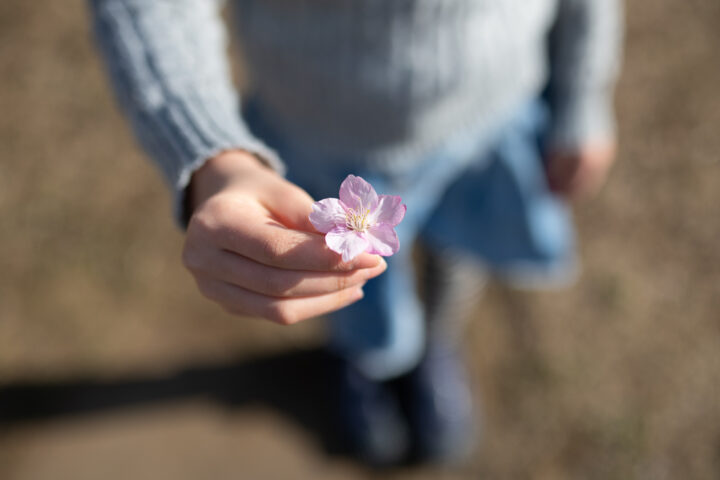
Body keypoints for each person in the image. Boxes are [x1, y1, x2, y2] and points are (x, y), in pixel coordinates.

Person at [90, 0, 622, 466]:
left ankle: (436, 344)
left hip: (488, 122)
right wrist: (214, 158)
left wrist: (584, 95)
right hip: (315, 131)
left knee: (458, 254)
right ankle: (367, 361)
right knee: (348, 284)